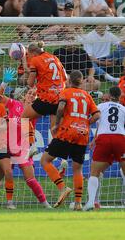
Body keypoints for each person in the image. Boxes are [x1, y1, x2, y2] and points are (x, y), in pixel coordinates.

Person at [0, 70, 51, 209]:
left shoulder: (35, 111)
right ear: (25, 94)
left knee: (30, 179)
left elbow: (48, 104)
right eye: (30, 93)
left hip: (23, 149)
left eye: (34, 95)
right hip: (7, 148)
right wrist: (4, 83)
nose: (31, 96)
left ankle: (45, 204)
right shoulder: (14, 104)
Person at [41, 70, 100, 209]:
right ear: (81, 81)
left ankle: (62, 187)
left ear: (69, 81)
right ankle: (78, 203)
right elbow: (97, 115)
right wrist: (86, 123)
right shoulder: (87, 95)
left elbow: (61, 107)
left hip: (67, 131)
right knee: (77, 169)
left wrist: (56, 124)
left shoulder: (66, 92)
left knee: (45, 160)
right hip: (83, 133)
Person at [84, 86, 125, 210]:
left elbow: (101, 123)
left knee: (95, 172)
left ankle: (91, 202)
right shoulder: (123, 108)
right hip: (120, 139)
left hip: (104, 139)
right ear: (120, 96)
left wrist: (94, 140)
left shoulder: (100, 107)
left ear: (109, 95)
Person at [21, 42, 67, 130]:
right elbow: (64, 77)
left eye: (28, 55)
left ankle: (27, 141)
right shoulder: (54, 58)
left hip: (46, 99)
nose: (28, 57)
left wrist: (30, 77)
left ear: (33, 53)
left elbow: (30, 83)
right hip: (60, 99)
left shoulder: (35, 60)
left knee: (23, 118)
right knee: (55, 132)